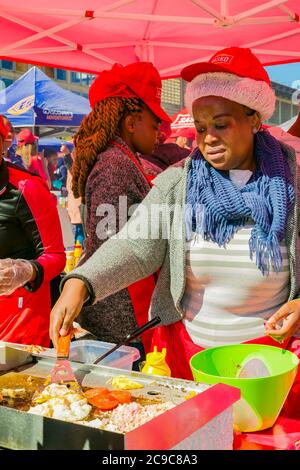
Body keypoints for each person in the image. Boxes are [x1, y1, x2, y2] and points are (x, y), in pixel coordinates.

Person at [50, 48, 300, 419]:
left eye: (221, 124)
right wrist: (82, 281)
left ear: (254, 120)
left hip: (272, 365)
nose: (208, 138)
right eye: (200, 128)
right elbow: (136, 246)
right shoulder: (179, 181)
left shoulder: (292, 179)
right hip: (188, 358)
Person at [56, 62, 171, 355]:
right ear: (131, 123)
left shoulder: (121, 160)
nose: (160, 129)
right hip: (120, 321)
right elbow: (115, 248)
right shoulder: (114, 166)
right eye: (154, 121)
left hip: (118, 312)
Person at [0, 115, 66, 346]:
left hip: (20, 328)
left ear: (3, 144)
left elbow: (57, 256)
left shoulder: (27, 188)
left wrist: (27, 270)